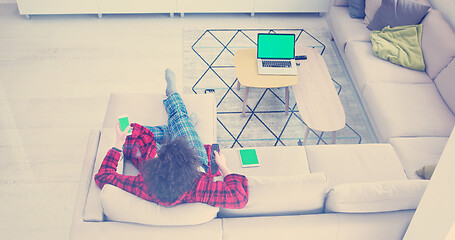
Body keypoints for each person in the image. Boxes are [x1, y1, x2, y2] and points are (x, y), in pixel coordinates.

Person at [94, 69, 248, 209]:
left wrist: (118, 143)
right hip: (198, 163)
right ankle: (175, 104)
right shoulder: (199, 185)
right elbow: (239, 198)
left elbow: (103, 176)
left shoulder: (145, 184)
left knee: (133, 137)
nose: (155, 154)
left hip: (166, 163)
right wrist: (223, 166)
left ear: (154, 167)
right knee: (179, 118)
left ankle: (177, 128)